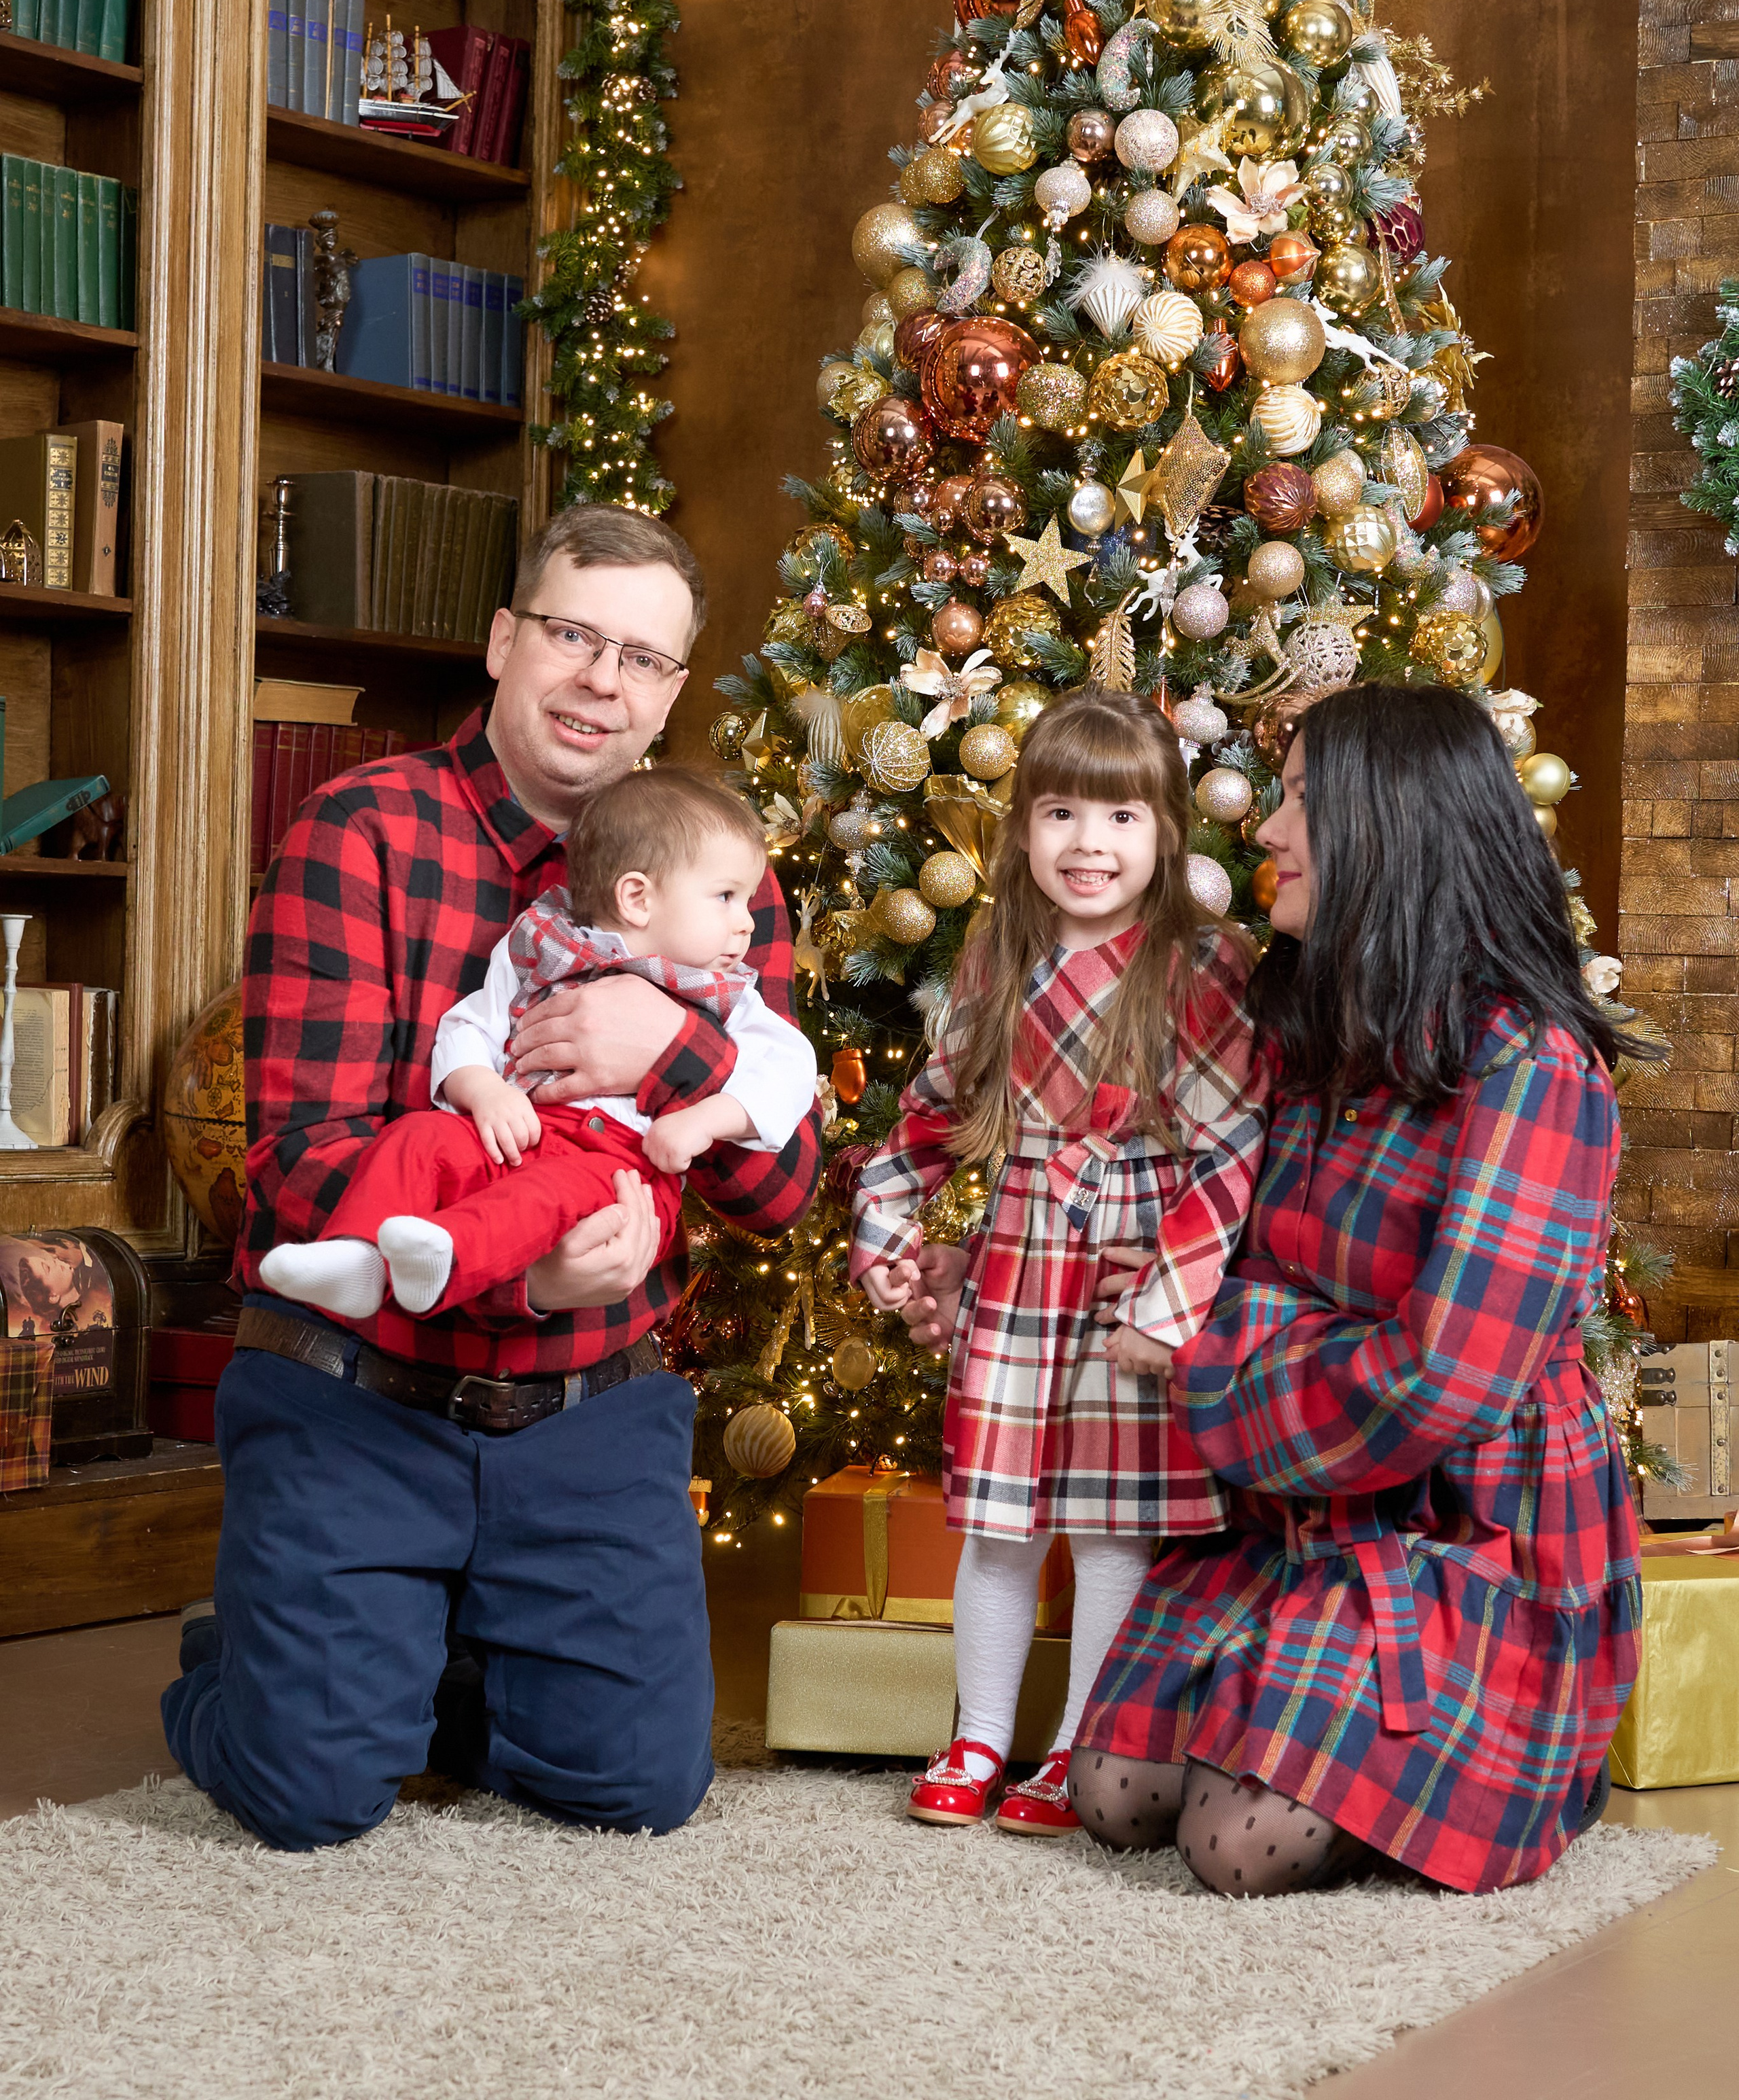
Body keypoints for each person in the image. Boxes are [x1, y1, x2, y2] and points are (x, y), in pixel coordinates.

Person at [161, 503, 822, 1852]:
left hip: (589, 1407)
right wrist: (522, 1263)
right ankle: (250, 1654)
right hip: (360, 1389)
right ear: (504, 640)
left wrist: (677, 1051)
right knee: (309, 1794)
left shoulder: (719, 881)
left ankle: (431, 1641)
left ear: (671, 692)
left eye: (641, 658)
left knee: (637, 1788)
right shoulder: (363, 834)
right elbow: (294, 1176)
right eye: (573, 635)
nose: (600, 678)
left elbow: (779, 1192)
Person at [1064, 683, 1653, 1896]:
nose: (1267, 833)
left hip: (1472, 1538)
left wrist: (1215, 1341)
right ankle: (1331, 1727)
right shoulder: (1309, 1032)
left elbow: (1444, 1377)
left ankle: (1477, 1754)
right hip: (1296, 1514)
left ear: (1387, 828)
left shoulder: (1531, 1064)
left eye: (1295, 805)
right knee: (1116, 1798)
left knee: (1236, 1846)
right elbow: (1225, 1250)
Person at [850, 690, 1266, 1836]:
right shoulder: (996, 956)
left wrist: (1172, 1305)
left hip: (1135, 1264)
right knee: (999, 1513)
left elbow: (1232, 1146)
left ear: (1168, 834)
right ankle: (981, 1731)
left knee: (1110, 1522)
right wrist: (892, 1234)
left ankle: (1080, 1746)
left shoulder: (1202, 964)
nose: (1090, 843)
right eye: (1062, 812)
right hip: (1021, 1256)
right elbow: (930, 1116)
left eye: (1122, 819)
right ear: (1021, 826)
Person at [256, 768, 816, 1319]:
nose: (746, 924)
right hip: (515, 1139)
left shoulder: (726, 991)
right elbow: (470, 1024)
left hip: (620, 1168)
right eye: (726, 898)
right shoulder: (545, 945)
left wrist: (702, 1115)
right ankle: (356, 1255)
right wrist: (481, 1091)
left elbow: (789, 1069)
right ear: (637, 897)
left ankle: (446, 1260)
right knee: (418, 1137)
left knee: (546, 1195)